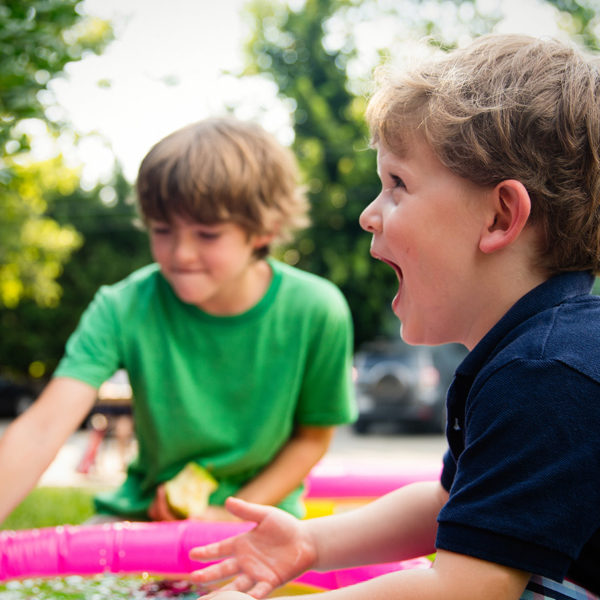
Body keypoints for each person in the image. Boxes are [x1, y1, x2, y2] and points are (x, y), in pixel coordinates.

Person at [187, 34, 600, 600]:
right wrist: (310, 543)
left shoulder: (547, 373)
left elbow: (465, 590)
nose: (367, 215)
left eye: (397, 185)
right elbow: (449, 505)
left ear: (501, 215)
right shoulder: (529, 355)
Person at [0, 117, 356, 524]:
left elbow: (312, 439)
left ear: (264, 230)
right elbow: (43, 427)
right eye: (163, 230)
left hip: (260, 522)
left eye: (207, 234)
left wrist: (228, 515)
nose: (180, 254)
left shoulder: (317, 310)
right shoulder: (122, 306)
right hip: (140, 517)